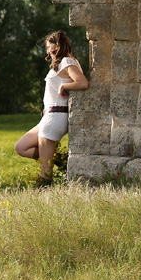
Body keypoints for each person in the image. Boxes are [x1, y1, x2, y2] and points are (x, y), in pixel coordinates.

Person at [15, 30, 88, 186]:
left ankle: (43, 193)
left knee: (45, 171)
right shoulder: (61, 63)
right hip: (48, 116)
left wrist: (64, 87)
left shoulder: (67, 62)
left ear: (58, 46)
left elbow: (82, 83)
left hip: (55, 117)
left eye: (50, 47)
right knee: (21, 147)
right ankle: (62, 160)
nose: (48, 51)